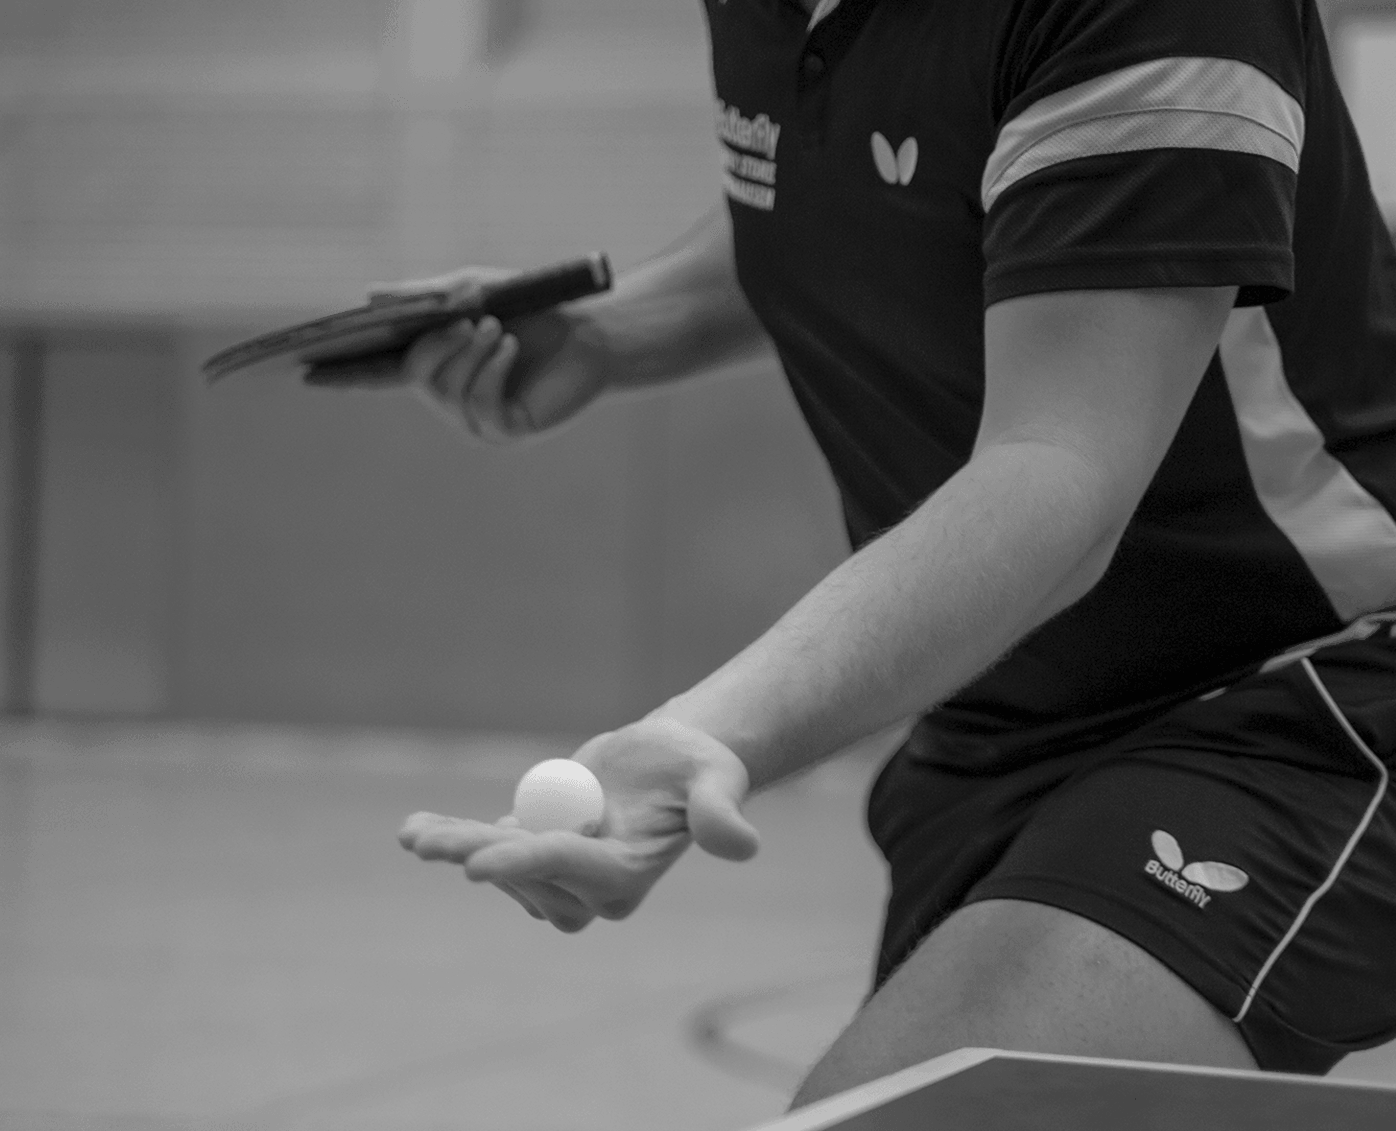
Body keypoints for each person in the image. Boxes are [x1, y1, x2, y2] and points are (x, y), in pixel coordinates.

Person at [394, 0, 1396, 1107]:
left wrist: (708, 730)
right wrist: (611, 328)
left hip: (1315, 686)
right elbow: (872, 183)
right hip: (996, 723)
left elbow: (1058, 468)